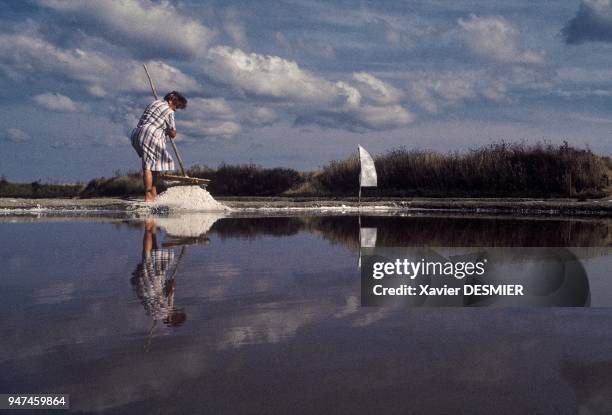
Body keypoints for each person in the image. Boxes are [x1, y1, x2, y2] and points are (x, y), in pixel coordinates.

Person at [131, 91, 187, 202]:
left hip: (137, 134)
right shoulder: (169, 111)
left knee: (154, 165)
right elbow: (173, 133)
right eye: (176, 106)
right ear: (171, 100)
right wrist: (169, 130)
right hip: (151, 135)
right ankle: (148, 196)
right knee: (148, 166)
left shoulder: (154, 103)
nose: (176, 109)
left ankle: (153, 193)